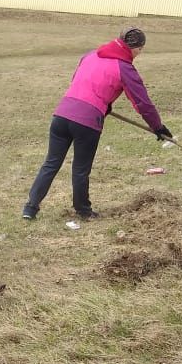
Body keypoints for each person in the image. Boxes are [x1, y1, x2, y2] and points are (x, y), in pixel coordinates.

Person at [21, 27, 171, 222]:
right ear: (133, 48)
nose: (139, 54)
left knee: (51, 163)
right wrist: (157, 127)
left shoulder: (91, 55)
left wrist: (105, 104)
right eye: (140, 50)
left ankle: (30, 207)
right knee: (81, 169)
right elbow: (142, 102)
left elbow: (78, 80)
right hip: (87, 122)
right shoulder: (125, 68)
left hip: (62, 114)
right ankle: (83, 210)